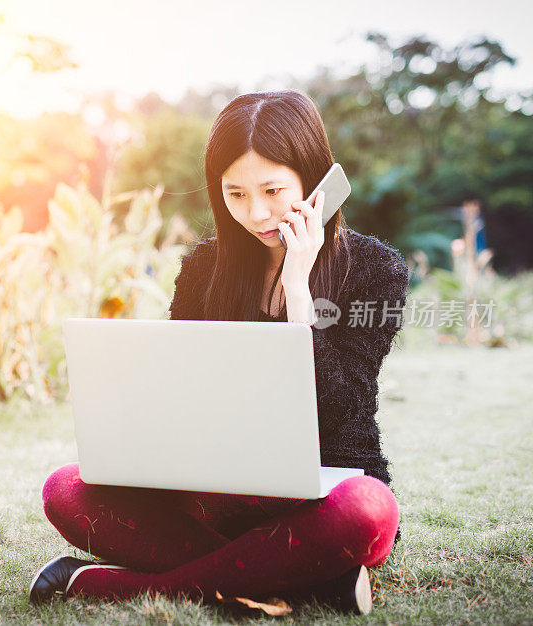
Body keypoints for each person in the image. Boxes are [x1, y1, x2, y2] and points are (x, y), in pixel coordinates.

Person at [29, 90, 410, 615]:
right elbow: (178, 388)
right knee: (66, 488)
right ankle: (305, 581)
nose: (257, 213)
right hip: (209, 495)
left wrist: (299, 290)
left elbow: (337, 406)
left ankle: (119, 585)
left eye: (274, 190)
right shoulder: (204, 267)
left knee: (369, 512)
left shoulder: (375, 270)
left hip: (319, 494)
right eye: (235, 194)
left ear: (317, 183)